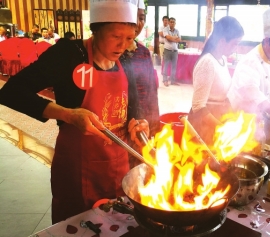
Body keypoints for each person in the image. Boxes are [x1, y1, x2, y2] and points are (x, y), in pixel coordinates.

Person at [0, 0, 149, 224]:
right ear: (96, 29)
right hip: (77, 169)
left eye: (129, 38)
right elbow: (12, 91)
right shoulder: (69, 54)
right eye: (116, 37)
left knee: (116, 226)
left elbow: (131, 111)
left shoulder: (125, 59)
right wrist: (68, 114)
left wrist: (138, 125)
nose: (123, 46)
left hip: (117, 168)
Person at [229, 3, 270, 133]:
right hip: (240, 123)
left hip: (261, 123)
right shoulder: (250, 61)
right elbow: (252, 94)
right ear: (267, 40)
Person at [188, 16, 244, 145]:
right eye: (235, 43)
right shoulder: (208, 62)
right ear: (223, 40)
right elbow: (198, 107)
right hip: (203, 125)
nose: (236, 48)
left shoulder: (222, 60)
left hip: (216, 118)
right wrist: (222, 128)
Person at [121, 0, 160, 158]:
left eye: (142, 18)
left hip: (142, 126)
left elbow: (152, 92)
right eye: (132, 17)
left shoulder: (143, 52)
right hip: (118, 127)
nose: (138, 23)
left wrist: (155, 128)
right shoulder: (112, 52)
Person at [162, 17, 181, 87]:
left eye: (173, 22)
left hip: (175, 51)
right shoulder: (165, 29)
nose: (172, 23)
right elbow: (168, 38)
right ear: (169, 23)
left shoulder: (177, 31)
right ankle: (165, 80)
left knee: (174, 67)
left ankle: (173, 81)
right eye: (171, 22)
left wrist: (172, 38)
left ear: (175, 23)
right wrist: (174, 38)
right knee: (166, 66)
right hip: (167, 50)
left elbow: (179, 40)